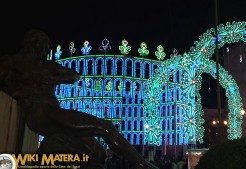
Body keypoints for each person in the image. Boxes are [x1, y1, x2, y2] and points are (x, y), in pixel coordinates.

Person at [0, 29, 157, 169]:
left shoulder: (46, 67)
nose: (44, 51)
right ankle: (143, 165)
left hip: (53, 114)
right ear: (34, 43)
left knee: (97, 153)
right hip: (41, 112)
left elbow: (73, 76)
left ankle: (50, 147)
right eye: (43, 46)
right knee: (105, 127)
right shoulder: (11, 62)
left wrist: (54, 77)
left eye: (46, 48)